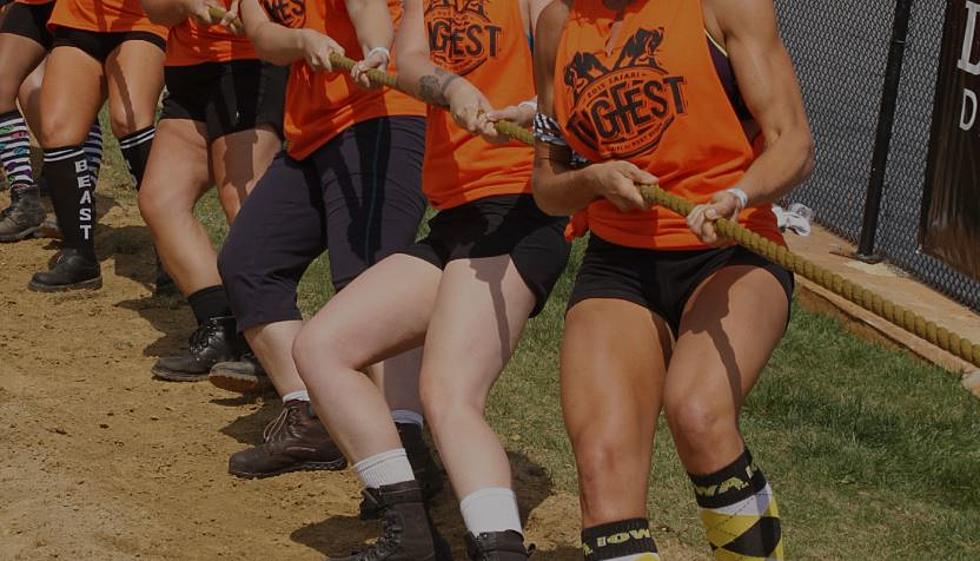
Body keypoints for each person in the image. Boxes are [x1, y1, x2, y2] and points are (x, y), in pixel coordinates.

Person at [531, 0, 814, 559]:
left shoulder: (724, 6)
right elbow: (547, 184)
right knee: (602, 465)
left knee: (699, 413)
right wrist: (592, 178)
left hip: (731, 250)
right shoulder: (558, 24)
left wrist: (738, 196)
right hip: (619, 262)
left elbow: (795, 144)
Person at [290, 0, 566, 558]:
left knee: (448, 394)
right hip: (458, 218)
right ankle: (409, 528)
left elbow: (572, 88)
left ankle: (500, 547)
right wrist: (452, 89)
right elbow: (410, 59)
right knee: (322, 347)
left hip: (518, 208)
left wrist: (532, 112)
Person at [215, 0, 441, 495]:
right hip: (312, 133)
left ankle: (407, 442)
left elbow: (367, 7)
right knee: (248, 262)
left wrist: (378, 49)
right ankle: (312, 415)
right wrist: (302, 41)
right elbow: (263, 36)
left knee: (369, 282)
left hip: (378, 113)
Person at [136, 0, 286, 382]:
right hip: (189, 69)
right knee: (160, 199)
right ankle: (219, 323)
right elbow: (154, 9)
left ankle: (268, 338)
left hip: (248, 63)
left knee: (242, 199)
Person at [27, 0, 167, 291]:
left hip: (139, 20)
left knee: (129, 120)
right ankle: (79, 255)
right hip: (77, 17)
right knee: (57, 130)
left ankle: (170, 249)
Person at [0, 0, 101, 242]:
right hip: (31, 4)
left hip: (78, 9)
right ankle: (25, 198)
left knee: (73, 97)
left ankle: (80, 203)